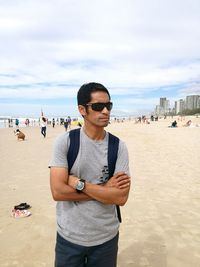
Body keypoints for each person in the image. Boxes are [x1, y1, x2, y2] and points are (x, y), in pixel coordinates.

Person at [49, 82, 131, 267]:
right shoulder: (65, 142)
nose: (105, 111)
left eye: (108, 106)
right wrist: (104, 190)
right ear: (82, 110)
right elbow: (58, 192)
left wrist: (79, 183)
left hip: (106, 238)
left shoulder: (118, 147)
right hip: (69, 237)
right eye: (97, 106)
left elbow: (121, 197)